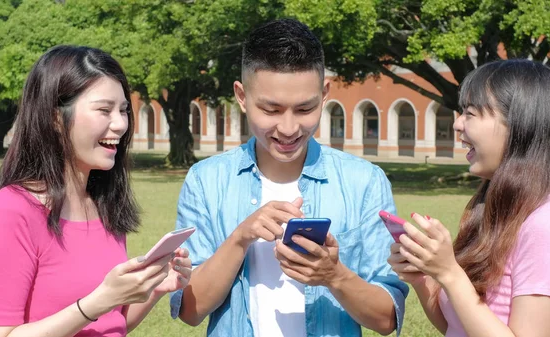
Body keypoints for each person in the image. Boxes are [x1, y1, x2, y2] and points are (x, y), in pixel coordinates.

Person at [170, 18, 408, 337]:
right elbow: (190, 310)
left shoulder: (364, 182)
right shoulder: (206, 180)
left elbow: (386, 319)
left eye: (304, 109)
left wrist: (334, 275)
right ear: (241, 96)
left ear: (324, 94)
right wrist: (241, 237)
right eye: (271, 110)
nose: (288, 128)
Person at [0, 45, 192, 337]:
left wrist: (154, 288)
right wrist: (97, 302)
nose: (120, 124)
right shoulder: (13, 209)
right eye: (104, 110)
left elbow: (111, 323)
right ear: (54, 117)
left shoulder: (104, 202)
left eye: (124, 110)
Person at [388, 59, 550, 336]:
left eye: (470, 113)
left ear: (518, 125)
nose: (457, 124)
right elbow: (456, 326)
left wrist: (449, 273)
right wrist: (423, 277)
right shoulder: (490, 206)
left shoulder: (548, 222)